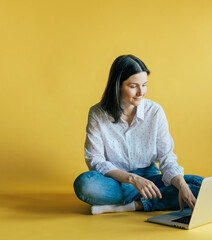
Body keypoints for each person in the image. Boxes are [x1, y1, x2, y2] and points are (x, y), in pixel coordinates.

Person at [73, 54, 203, 215]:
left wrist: (182, 186)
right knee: (85, 184)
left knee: (199, 185)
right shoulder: (97, 113)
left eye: (144, 85)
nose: (141, 92)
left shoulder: (154, 111)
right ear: (117, 86)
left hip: (150, 179)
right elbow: (95, 160)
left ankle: (131, 205)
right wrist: (132, 180)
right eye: (133, 86)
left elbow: (166, 156)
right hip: (115, 180)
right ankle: (153, 199)